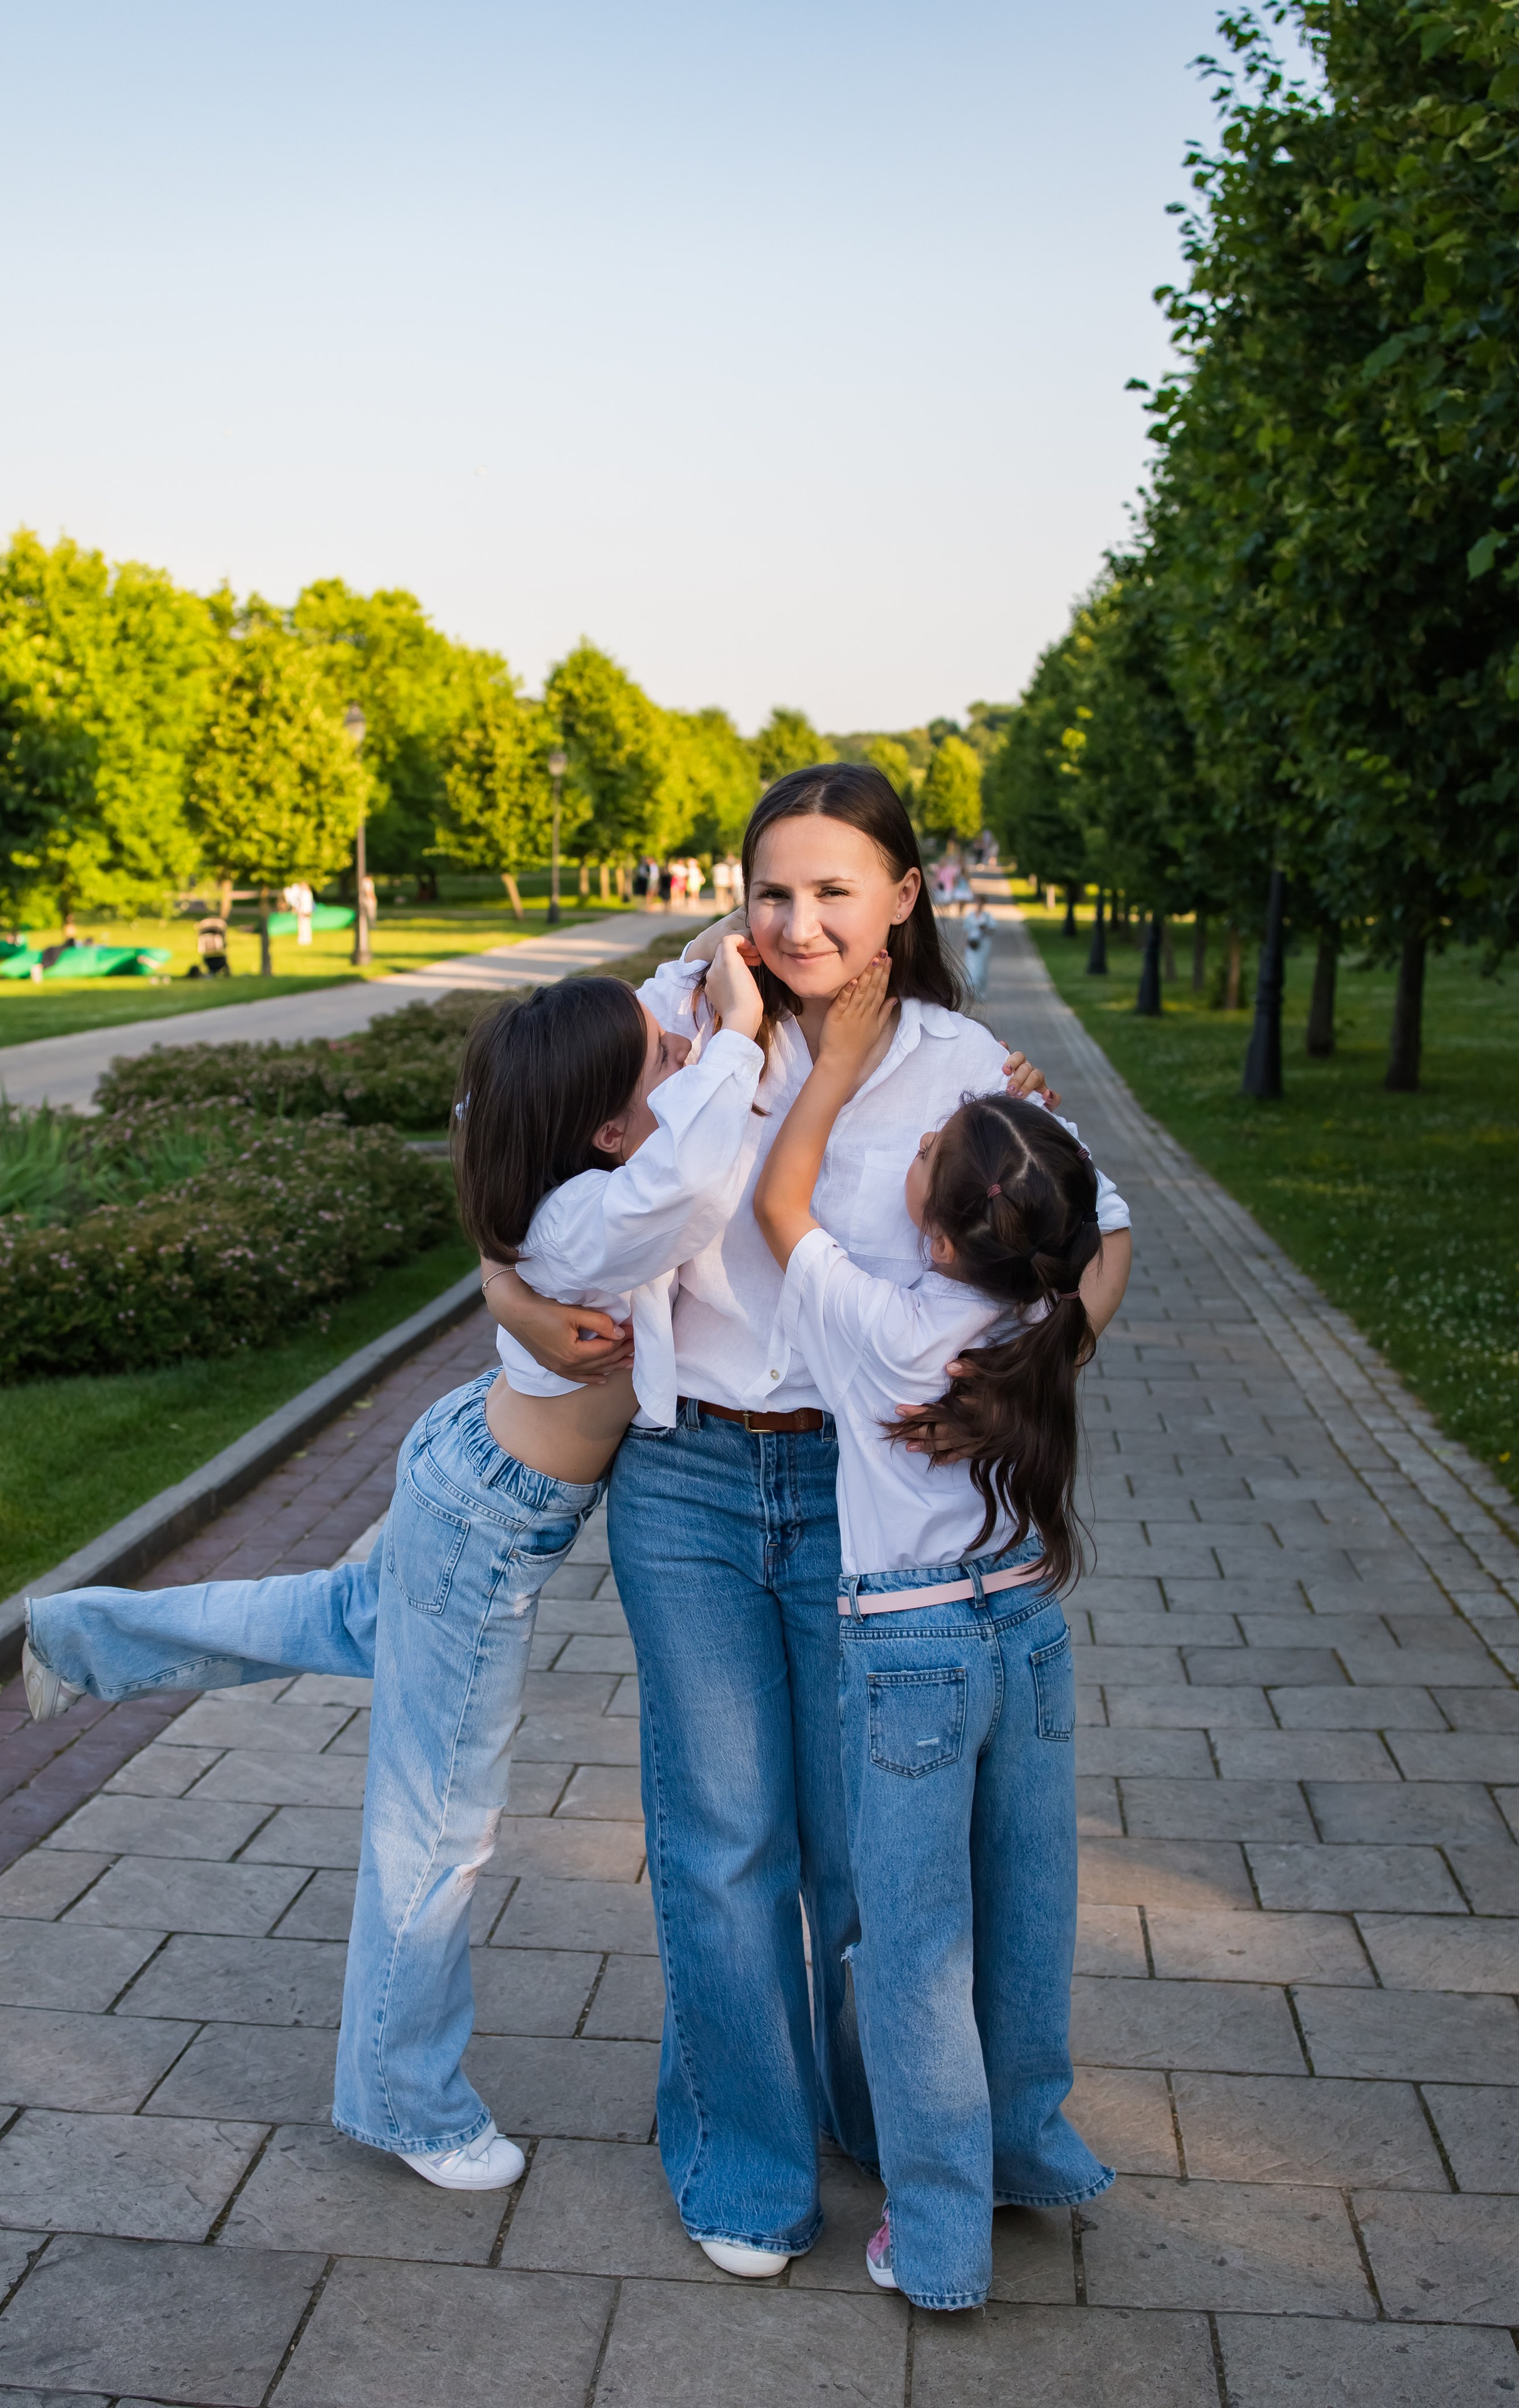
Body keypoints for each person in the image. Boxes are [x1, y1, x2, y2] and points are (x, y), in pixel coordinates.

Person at [483, 764, 1101, 2278]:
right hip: (687, 1475)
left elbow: (1103, 1232)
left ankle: (863, 2107)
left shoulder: (967, 1067)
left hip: (859, 1495)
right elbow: (517, 1183)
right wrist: (508, 1290)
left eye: (835, 889)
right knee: (718, 1838)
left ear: (906, 894)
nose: (799, 918)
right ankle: (743, 2161)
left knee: (854, 1855)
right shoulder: (675, 1018)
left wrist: (1015, 1376)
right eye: (773, 889)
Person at [21, 944, 767, 2197]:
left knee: (336, 1614)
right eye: (665, 1059)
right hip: (487, 1530)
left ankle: (77, 1639)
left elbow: (634, 1062)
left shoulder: (558, 1154)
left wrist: (705, 966)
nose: (685, 1049)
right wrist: (740, 1029)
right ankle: (403, 2102)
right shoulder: (593, 1213)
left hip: (464, 1462)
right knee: (435, 1825)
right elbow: (693, 1171)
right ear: (599, 1126)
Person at [752, 953, 1130, 2310]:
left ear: (933, 1222)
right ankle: (1026, 2150)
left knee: (910, 1951)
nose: (911, 1139)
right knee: (1026, 1908)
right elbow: (1090, 1227)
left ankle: (939, 2239)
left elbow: (776, 1202)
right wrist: (1048, 1119)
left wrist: (834, 1070)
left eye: (927, 1148)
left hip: (908, 1653)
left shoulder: (892, 1331)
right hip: (1024, 1627)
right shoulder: (1041, 1313)